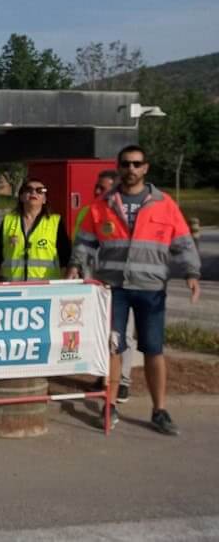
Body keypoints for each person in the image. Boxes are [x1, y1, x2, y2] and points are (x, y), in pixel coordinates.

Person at [69, 145, 201, 436]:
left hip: (151, 289)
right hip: (113, 288)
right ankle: (111, 404)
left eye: (137, 164)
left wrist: (192, 273)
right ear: (119, 167)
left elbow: (183, 242)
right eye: (126, 164)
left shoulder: (164, 204)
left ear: (146, 168)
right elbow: (85, 241)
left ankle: (160, 410)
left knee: (154, 349)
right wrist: (76, 265)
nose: (131, 169)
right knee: (114, 347)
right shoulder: (103, 204)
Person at [75, 170, 134, 402]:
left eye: (104, 188)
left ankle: (124, 382)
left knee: (123, 335)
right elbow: (80, 246)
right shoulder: (88, 213)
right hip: (95, 284)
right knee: (101, 333)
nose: (98, 192)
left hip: (122, 284)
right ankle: (104, 377)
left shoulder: (124, 217)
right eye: (96, 188)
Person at [0, 178, 71, 282]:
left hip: (45, 288)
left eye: (40, 190)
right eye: (28, 189)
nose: (33, 192)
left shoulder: (55, 222)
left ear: (44, 199)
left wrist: (65, 283)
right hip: (13, 286)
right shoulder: (8, 221)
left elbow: (65, 257)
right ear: (21, 197)